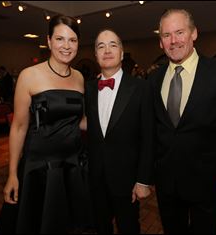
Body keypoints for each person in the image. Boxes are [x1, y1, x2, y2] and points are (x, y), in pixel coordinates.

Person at [148, 9, 216, 234]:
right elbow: (153, 130)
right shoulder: (153, 79)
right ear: (160, 42)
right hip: (166, 183)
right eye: (166, 35)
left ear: (194, 34)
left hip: (207, 181)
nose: (173, 41)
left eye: (180, 32)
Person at [0, 15, 93, 234]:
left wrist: (111, 123)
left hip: (72, 165)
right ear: (48, 41)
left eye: (73, 40)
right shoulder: (29, 75)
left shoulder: (78, 78)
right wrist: (12, 173)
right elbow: (18, 127)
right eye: (60, 39)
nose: (66, 46)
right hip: (40, 167)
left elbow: (80, 121)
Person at [84, 29, 154, 234]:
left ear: (122, 53)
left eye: (113, 45)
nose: (107, 50)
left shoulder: (141, 88)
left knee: (129, 227)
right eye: (101, 46)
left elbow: (148, 137)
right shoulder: (87, 89)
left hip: (127, 180)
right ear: (96, 55)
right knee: (101, 226)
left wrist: (142, 180)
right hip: (96, 178)